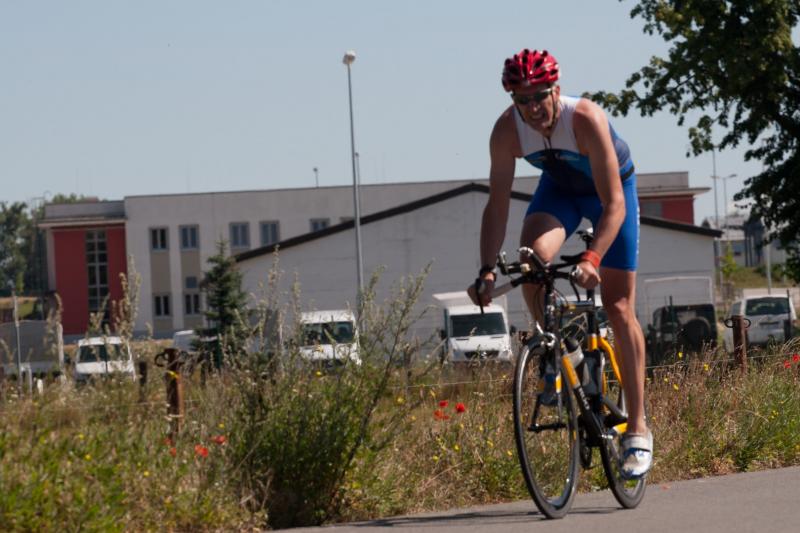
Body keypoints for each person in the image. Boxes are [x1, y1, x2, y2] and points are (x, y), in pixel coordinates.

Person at [467, 48, 652, 478]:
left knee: (618, 305)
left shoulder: (585, 118)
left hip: (610, 196)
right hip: (560, 193)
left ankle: (638, 427)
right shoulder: (506, 131)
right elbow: (497, 206)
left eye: (539, 96)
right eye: (522, 99)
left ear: (557, 90)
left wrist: (592, 256)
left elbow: (614, 204)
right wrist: (486, 269)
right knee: (530, 261)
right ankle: (561, 349)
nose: (532, 107)